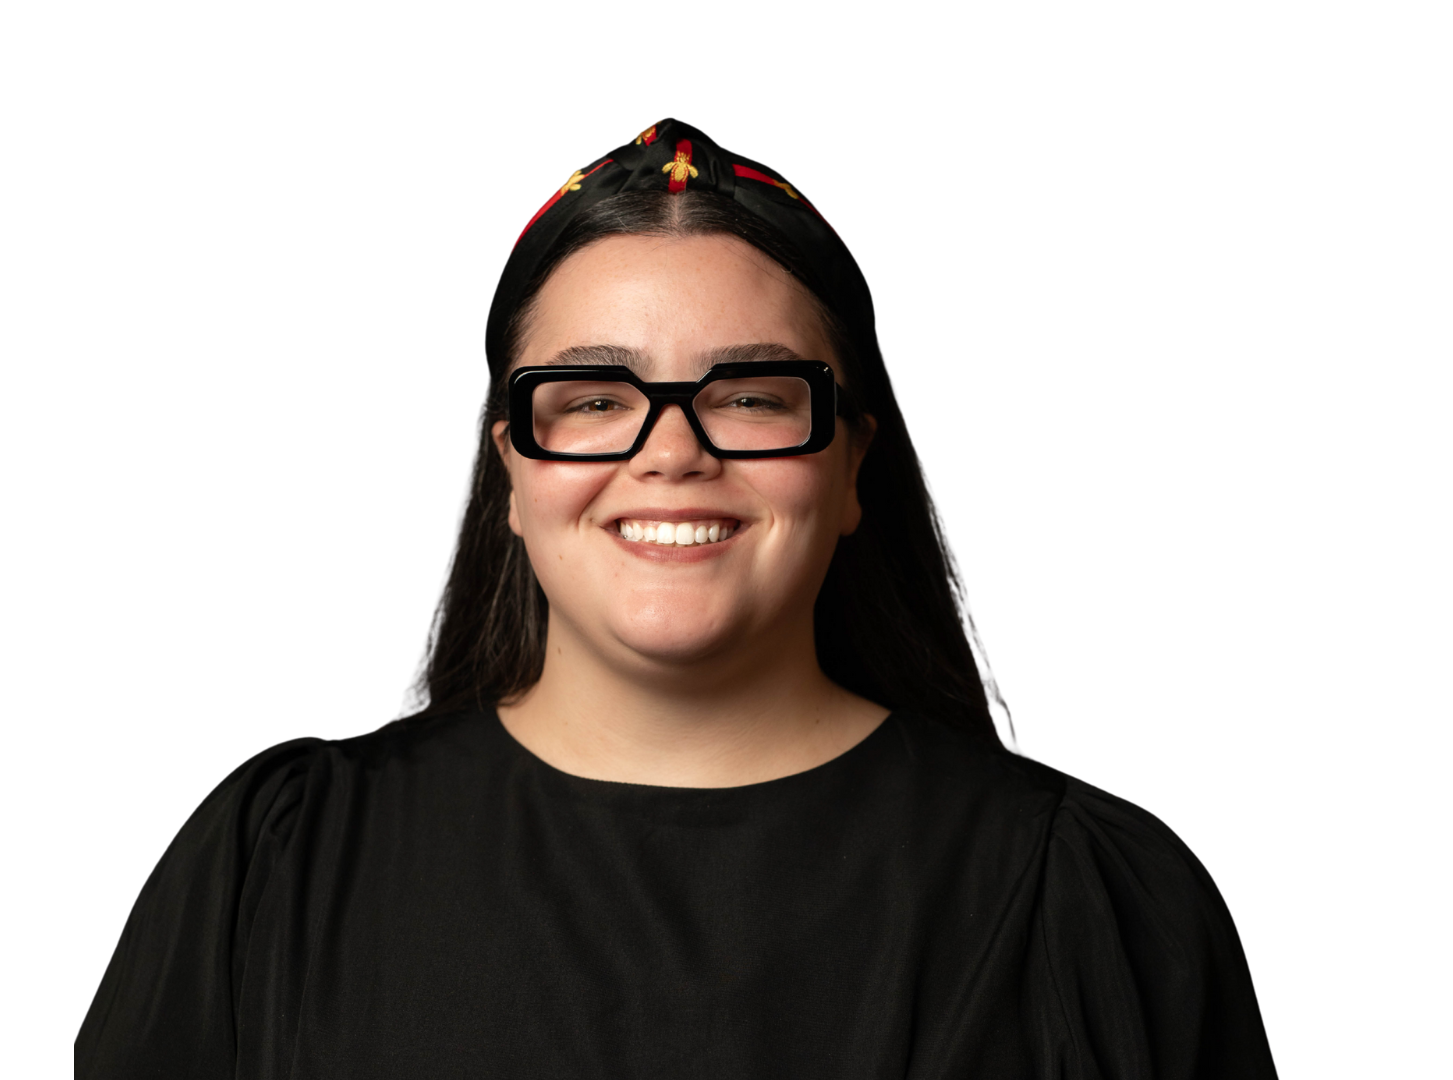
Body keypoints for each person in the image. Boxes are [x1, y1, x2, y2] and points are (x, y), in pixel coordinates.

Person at [77, 119, 1277, 1079]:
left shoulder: (1094, 905)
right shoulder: (276, 872)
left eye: (752, 396)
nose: (670, 453)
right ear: (511, 467)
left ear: (854, 463)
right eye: (593, 399)